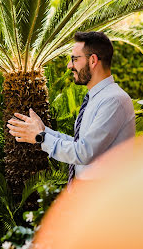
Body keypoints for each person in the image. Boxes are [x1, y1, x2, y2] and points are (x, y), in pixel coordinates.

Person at [7, 31, 135, 182]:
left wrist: (40, 138)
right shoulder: (97, 98)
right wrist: (43, 131)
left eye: (74, 59)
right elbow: (79, 144)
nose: (69, 66)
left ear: (93, 60)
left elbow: (83, 153)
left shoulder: (113, 100)